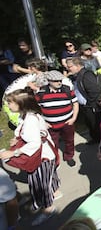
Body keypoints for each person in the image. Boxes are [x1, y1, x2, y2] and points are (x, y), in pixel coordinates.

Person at [0, 89, 59, 226]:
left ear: (21, 103)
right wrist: (17, 138)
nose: (8, 106)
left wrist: (13, 153)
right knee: (43, 179)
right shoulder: (25, 115)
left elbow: (34, 143)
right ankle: (48, 196)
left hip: (41, 158)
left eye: (10, 103)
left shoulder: (30, 119)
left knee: (40, 184)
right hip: (41, 156)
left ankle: (48, 209)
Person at [35, 70, 79, 167]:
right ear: (49, 81)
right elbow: (35, 109)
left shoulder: (67, 90)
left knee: (69, 141)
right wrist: (43, 122)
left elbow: (75, 104)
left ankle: (69, 156)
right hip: (50, 125)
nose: (59, 82)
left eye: (60, 80)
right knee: (52, 143)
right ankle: (55, 160)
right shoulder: (41, 93)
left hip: (67, 123)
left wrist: (74, 118)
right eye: (56, 81)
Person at [66, 57, 101, 144]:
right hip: (84, 105)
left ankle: (100, 141)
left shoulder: (86, 75)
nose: (68, 69)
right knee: (89, 123)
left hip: (90, 105)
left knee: (95, 123)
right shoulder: (76, 75)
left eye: (70, 66)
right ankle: (95, 139)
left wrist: (90, 104)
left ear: (78, 66)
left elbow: (94, 91)